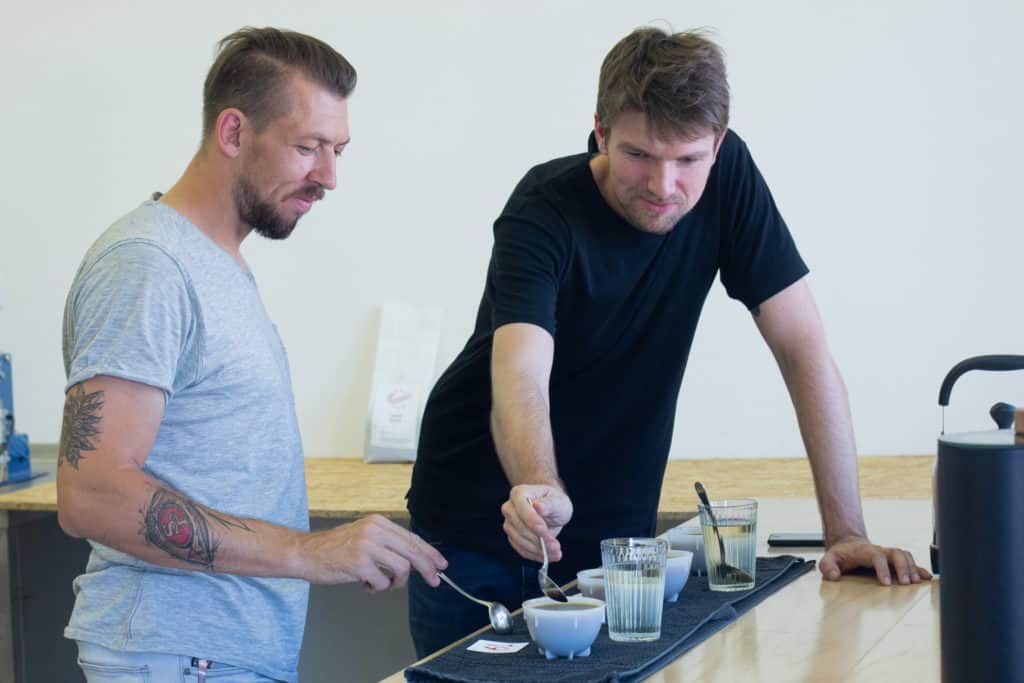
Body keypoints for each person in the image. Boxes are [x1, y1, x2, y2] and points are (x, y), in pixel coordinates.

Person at [405, 26, 930, 657]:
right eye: (639, 156)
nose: (663, 185)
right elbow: (519, 372)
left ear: (719, 143)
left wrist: (846, 532)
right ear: (600, 131)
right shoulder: (543, 209)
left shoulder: (730, 177)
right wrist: (540, 489)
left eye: (688, 160)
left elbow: (804, 350)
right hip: (479, 523)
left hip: (617, 539)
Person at [57, 27, 446, 682]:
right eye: (308, 147)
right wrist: (307, 551)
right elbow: (92, 493)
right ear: (234, 132)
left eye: (338, 150)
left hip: (213, 653)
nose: (328, 176)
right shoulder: (148, 264)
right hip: (178, 653)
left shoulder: (215, 264)